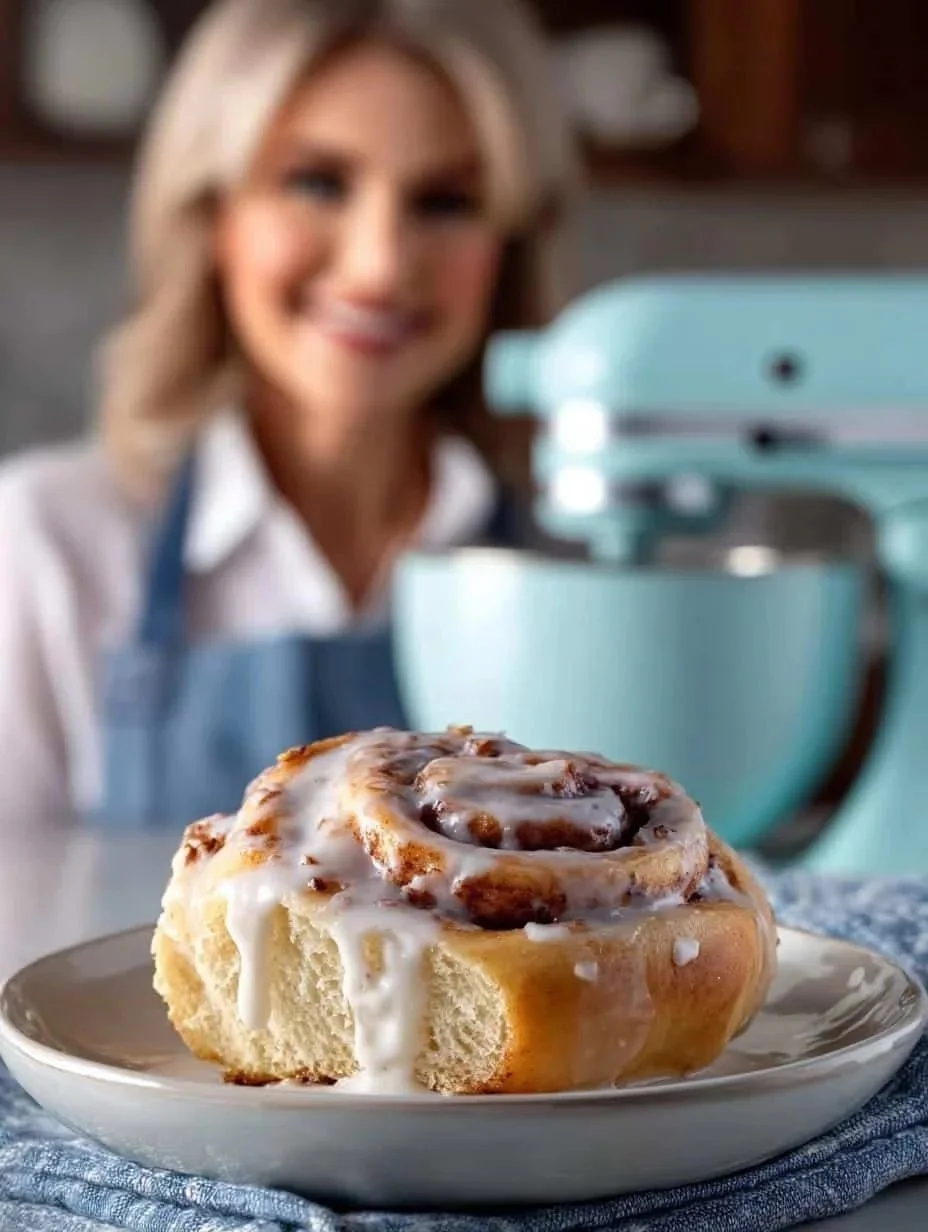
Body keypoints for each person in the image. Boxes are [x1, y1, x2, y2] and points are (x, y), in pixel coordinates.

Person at [0, 0, 580, 830]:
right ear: (213, 218)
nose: (379, 265)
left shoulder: (578, 566)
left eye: (445, 201)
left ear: (510, 244)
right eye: (316, 183)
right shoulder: (49, 544)